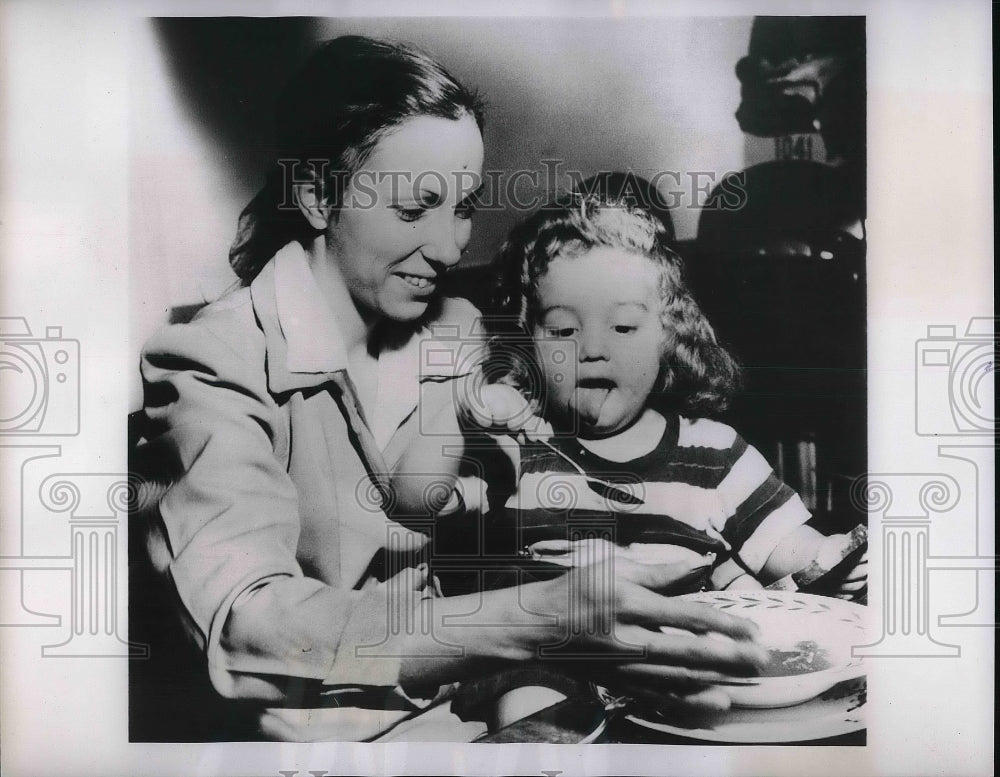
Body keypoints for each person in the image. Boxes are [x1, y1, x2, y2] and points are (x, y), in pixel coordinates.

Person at [133, 37, 768, 742]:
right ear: (316, 195)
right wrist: (545, 613)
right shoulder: (210, 360)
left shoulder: (454, 326)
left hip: (453, 706)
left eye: (463, 207)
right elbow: (249, 625)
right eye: (415, 210)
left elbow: (491, 489)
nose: (449, 246)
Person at [395, 188, 867, 728]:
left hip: (677, 671)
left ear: (669, 335)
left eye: (622, 327)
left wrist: (837, 560)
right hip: (549, 662)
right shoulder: (513, 451)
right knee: (533, 709)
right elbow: (414, 502)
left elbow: (794, 549)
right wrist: (455, 406)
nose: (592, 348)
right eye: (564, 330)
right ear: (527, 340)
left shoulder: (713, 452)